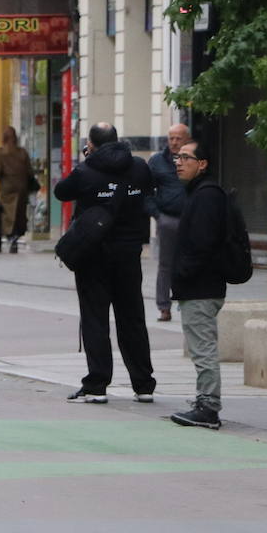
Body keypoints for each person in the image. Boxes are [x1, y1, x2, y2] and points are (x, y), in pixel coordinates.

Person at [53, 122, 157, 404]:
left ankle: (97, 384)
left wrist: (88, 160)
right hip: (129, 253)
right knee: (132, 317)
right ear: (118, 140)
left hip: (94, 254)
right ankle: (144, 384)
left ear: (92, 144)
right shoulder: (139, 167)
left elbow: (61, 192)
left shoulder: (86, 170)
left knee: (95, 318)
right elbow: (149, 191)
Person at [170, 141, 228, 430]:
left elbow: (202, 244)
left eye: (185, 158)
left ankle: (208, 407)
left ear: (202, 163)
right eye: (177, 158)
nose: (179, 162)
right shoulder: (200, 193)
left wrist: (182, 274)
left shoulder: (206, 196)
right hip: (202, 285)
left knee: (203, 348)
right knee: (201, 346)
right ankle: (204, 401)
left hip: (201, 287)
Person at [148, 123, 189, 322]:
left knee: (191, 261)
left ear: (186, 139)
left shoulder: (195, 158)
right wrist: (157, 214)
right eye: (171, 138)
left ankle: (189, 302)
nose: (173, 142)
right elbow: (146, 191)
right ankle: (164, 307)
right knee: (166, 265)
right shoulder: (157, 161)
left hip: (192, 219)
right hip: (167, 220)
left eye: (178, 138)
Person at [0, 126, 32, 252]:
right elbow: (29, 171)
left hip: (6, 187)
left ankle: (10, 235)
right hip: (22, 187)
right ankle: (16, 235)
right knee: (19, 213)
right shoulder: (22, 153)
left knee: (7, 213)